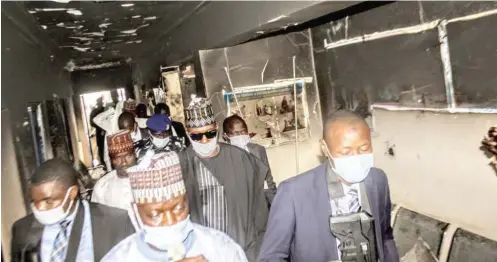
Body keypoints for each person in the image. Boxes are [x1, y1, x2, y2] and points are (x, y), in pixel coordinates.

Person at [258, 110, 399, 262]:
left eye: (364, 149)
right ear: (325, 148)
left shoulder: (378, 180)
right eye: (345, 152)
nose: (356, 158)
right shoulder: (293, 193)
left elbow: (385, 236)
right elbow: (270, 257)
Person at [101, 151, 248, 262]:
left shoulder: (221, 248)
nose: (171, 221)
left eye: (178, 208)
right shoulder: (120, 257)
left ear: (187, 200)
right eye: (155, 215)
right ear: (135, 212)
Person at [179, 95, 270, 261]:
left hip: (245, 252)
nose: (205, 140)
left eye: (210, 133)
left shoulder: (241, 158)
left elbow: (260, 211)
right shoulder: (181, 164)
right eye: (197, 136)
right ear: (187, 132)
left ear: (217, 127)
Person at [11, 159, 134, 262]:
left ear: (72, 193)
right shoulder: (22, 230)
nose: (39, 208)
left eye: (48, 201)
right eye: (34, 201)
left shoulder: (115, 222)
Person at [222, 114, 277, 204]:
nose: (240, 136)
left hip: (263, 202)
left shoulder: (259, 150)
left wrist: (275, 205)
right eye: (235, 133)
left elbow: (269, 182)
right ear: (225, 136)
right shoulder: (222, 157)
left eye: (243, 132)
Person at [92, 130, 137, 212]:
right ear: (112, 160)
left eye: (128, 156)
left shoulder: (149, 178)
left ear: (135, 155)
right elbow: (98, 218)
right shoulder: (102, 186)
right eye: (118, 158)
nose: (124, 162)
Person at [89, 96, 106, 167]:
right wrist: (99, 127)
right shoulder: (94, 112)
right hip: (99, 132)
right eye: (99, 102)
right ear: (97, 103)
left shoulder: (105, 110)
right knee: (101, 147)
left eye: (101, 102)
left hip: (106, 130)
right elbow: (92, 123)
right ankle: (103, 162)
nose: (101, 103)